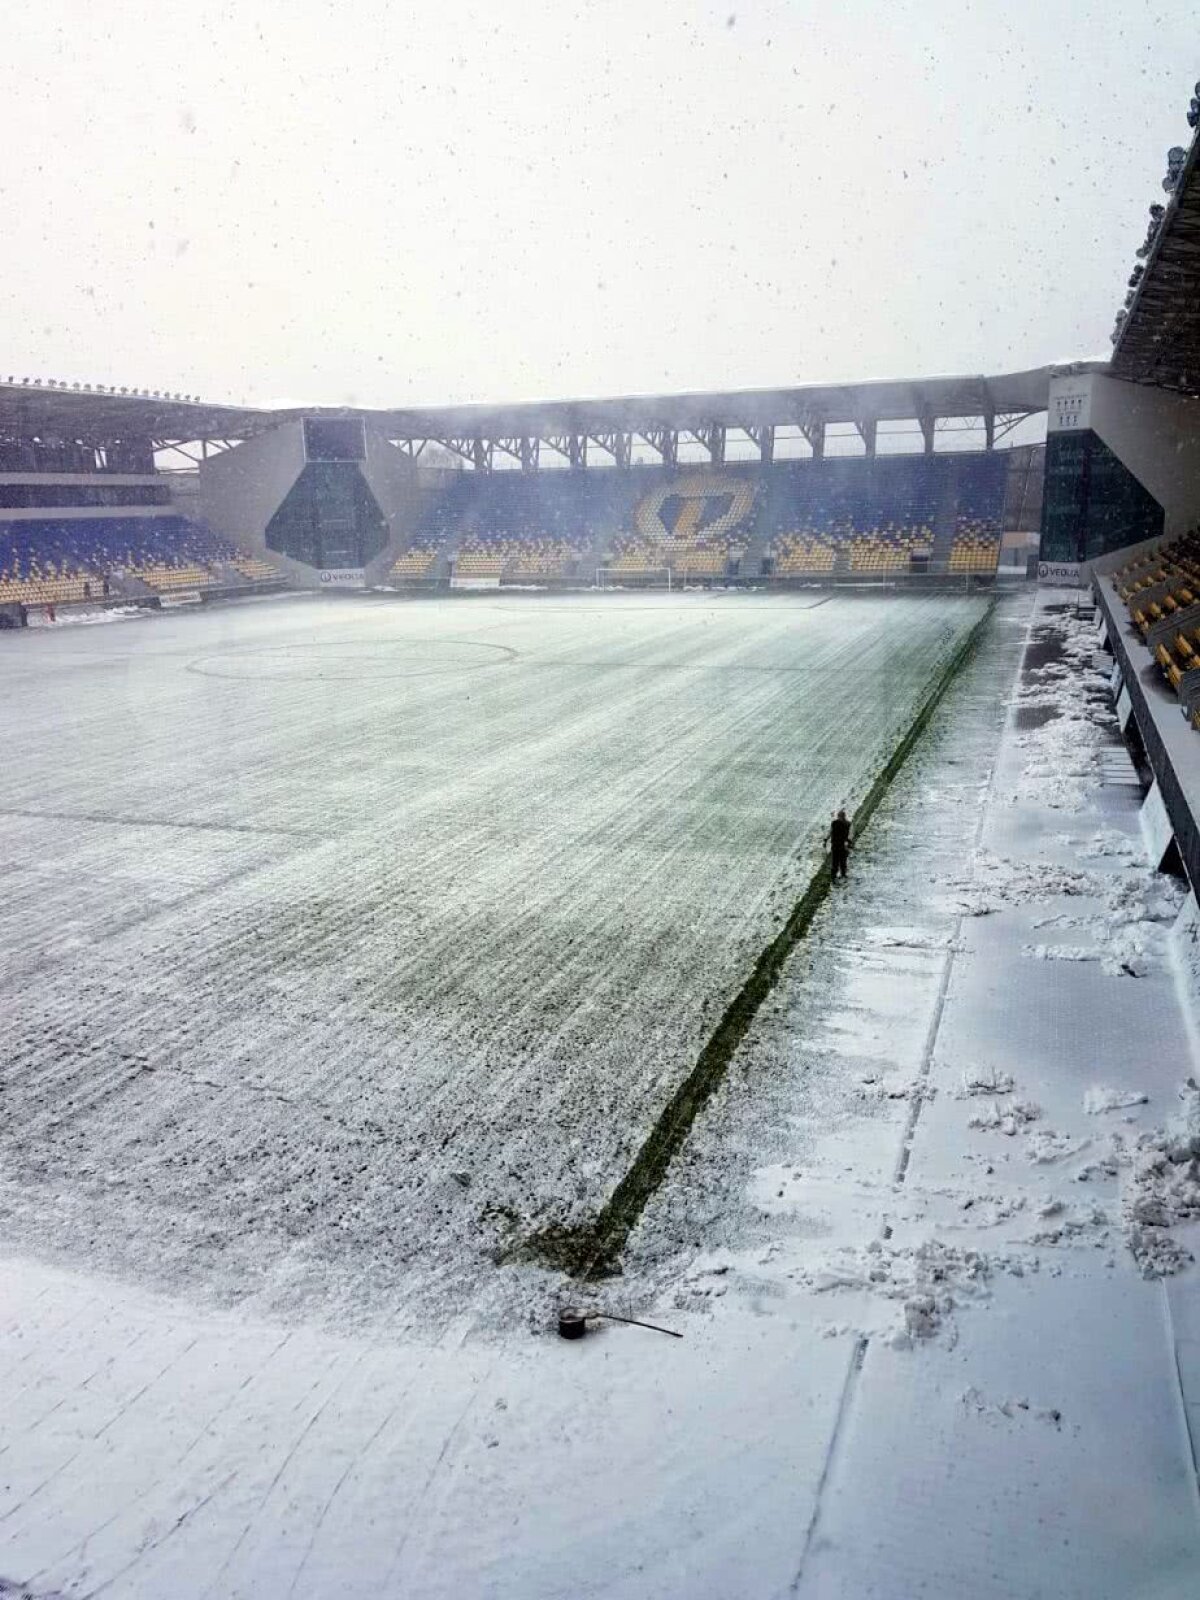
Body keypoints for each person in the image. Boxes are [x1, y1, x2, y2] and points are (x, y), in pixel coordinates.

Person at [828, 808, 852, 880]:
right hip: (841, 845)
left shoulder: (834, 823)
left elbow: (831, 833)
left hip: (836, 845)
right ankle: (842, 874)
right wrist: (849, 841)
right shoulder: (847, 824)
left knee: (835, 862)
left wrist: (827, 839)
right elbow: (847, 835)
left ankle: (834, 876)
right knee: (842, 861)